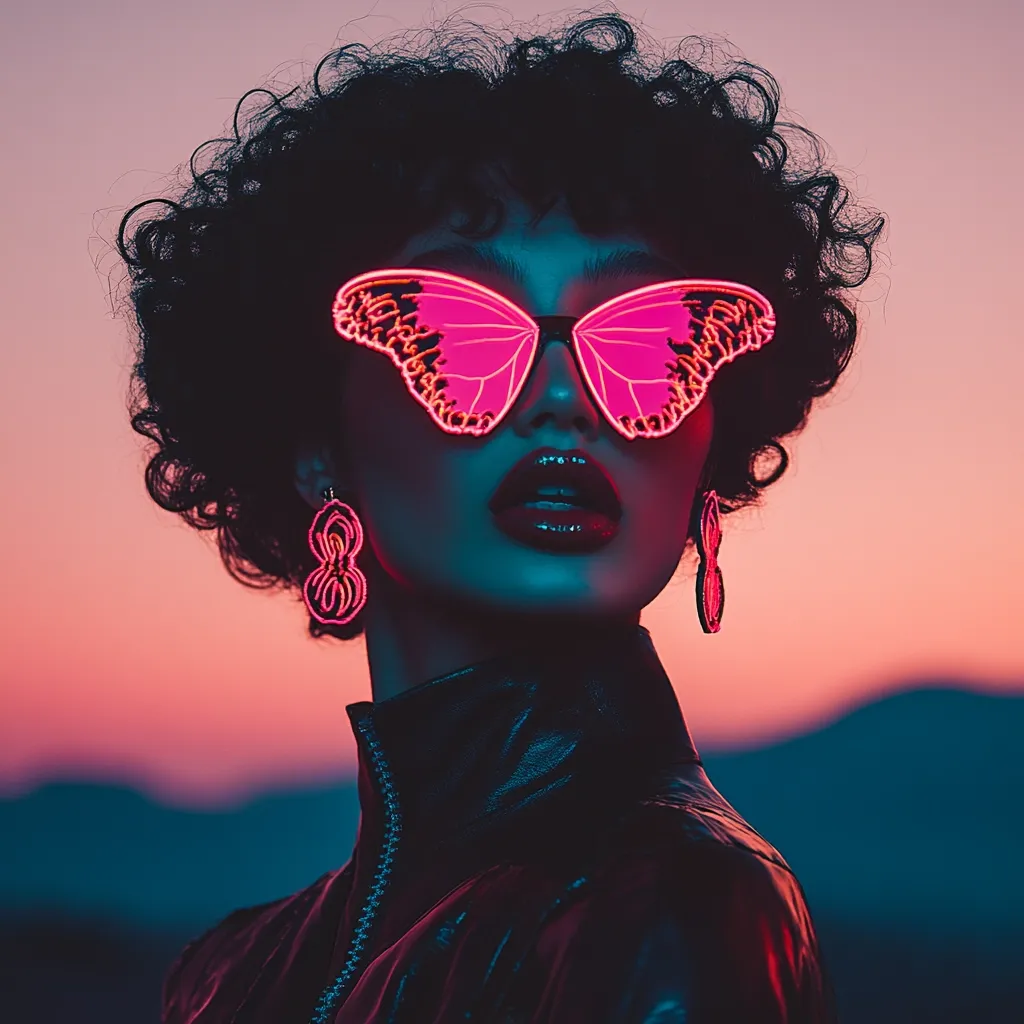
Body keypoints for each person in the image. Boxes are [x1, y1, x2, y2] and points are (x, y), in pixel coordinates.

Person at [116, 12, 884, 1022]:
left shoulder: (673, 909)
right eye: (458, 324)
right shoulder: (224, 974)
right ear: (314, 443)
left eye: (647, 343)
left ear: (709, 446)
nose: (560, 396)